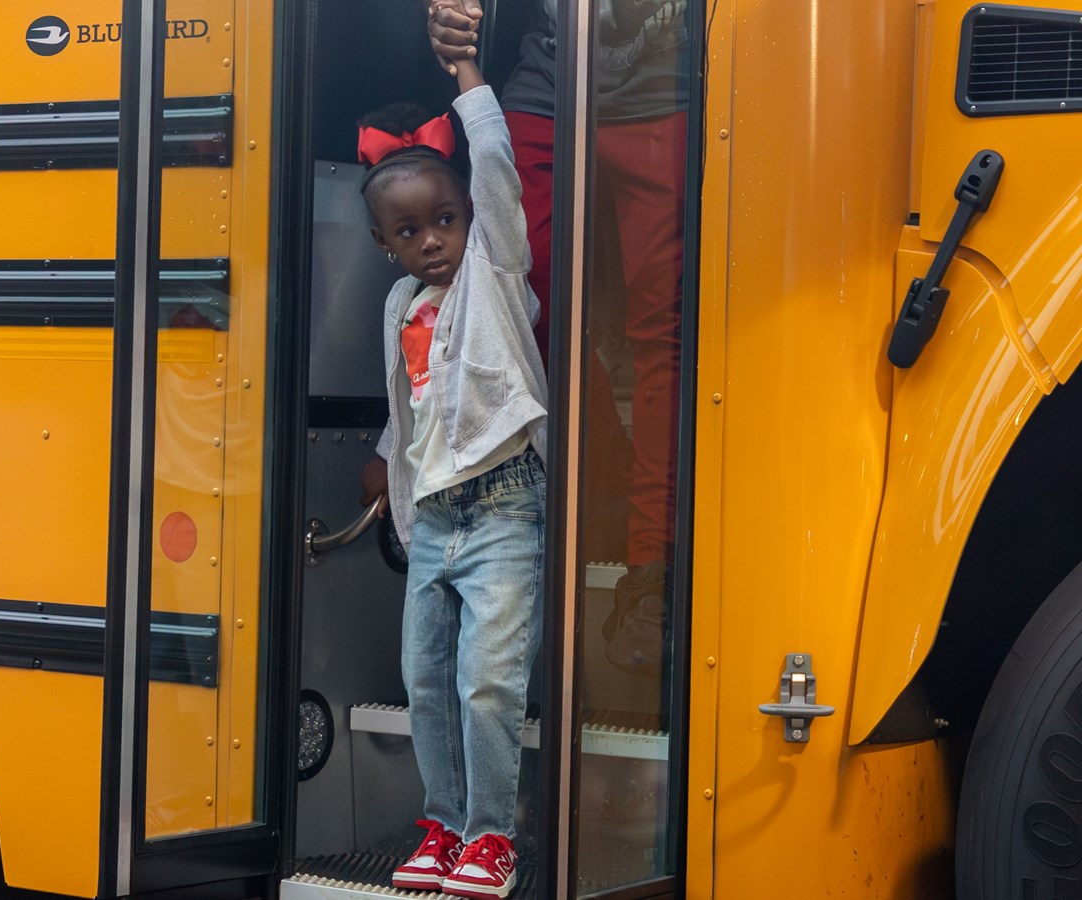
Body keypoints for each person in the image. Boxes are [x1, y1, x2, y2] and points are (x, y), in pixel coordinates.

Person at [426, 0, 688, 680]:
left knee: (664, 332)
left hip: (670, 84)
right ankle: (602, 464)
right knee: (513, 303)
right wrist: (451, 15)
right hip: (548, 83)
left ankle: (651, 576)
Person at [355, 28, 548, 898]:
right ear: (384, 244)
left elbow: (499, 165)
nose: (433, 239)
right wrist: (389, 469)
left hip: (505, 505)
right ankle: (442, 822)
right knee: (426, 683)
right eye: (409, 229)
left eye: (446, 218)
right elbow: (414, 407)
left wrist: (466, 73)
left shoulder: (495, 275)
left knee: (487, 684)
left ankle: (492, 839)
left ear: (473, 217)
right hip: (432, 514)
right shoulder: (401, 304)